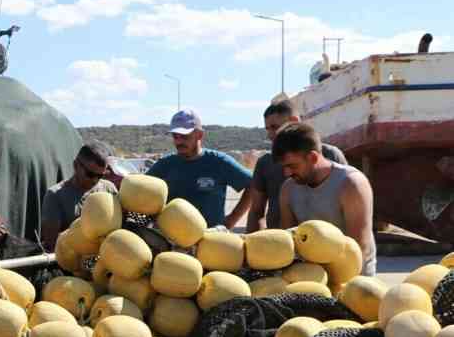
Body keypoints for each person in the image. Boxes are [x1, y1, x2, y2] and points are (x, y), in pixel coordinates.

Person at [274, 122, 377, 276]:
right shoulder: (288, 189)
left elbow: (359, 246)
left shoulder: (351, 184)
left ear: (313, 157)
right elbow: (289, 243)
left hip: (352, 279)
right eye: (284, 167)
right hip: (312, 278)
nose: (287, 173)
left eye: (292, 166)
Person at [247, 99, 348, 232]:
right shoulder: (265, 163)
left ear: (294, 121)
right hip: (282, 243)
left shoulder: (330, 156)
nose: (270, 135)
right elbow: (256, 211)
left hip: (327, 244)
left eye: (274, 127)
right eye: (267, 129)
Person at [146, 109, 253, 229]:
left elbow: (252, 185)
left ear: (200, 135)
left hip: (210, 240)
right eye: (175, 136)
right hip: (171, 241)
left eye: (184, 136)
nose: (179, 141)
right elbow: (142, 189)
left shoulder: (219, 162)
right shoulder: (165, 164)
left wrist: (231, 220)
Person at [40, 138, 119, 248]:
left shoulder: (109, 189)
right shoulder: (55, 196)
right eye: (90, 174)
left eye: (100, 176)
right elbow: (51, 243)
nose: (95, 180)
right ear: (76, 165)